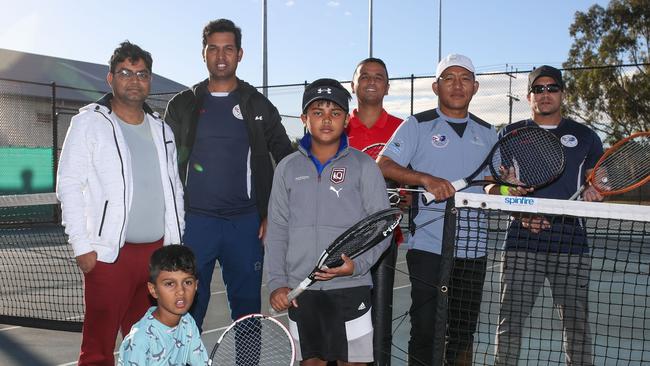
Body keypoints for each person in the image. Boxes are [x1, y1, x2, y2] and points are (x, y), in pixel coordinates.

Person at [56, 41, 184, 366]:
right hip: (108, 256)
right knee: (98, 350)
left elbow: (174, 190)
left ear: (149, 81)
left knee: (146, 347)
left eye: (141, 74)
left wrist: (175, 246)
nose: (134, 79)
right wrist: (82, 247)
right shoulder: (89, 122)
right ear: (110, 77)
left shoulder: (162, 129)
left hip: (155, 256)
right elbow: (69, 185)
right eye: (126, 72)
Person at [164, 19, 293, 329]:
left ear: (240, 54)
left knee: (247, 315)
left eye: (228, 49)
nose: (221, 56)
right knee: (187, 312)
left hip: (246, 226)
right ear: (203, 53)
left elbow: (288, 162)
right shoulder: (182, 105)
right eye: (213, 49)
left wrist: (271, 214)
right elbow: (163, 162)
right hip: (195, 224)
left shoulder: (258, 104)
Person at [377, 54, 497, 366]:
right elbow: (384, 165)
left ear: (475, 87)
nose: (457, 85)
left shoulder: (488, 133)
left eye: (465, 78)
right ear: (436, 86)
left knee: (462, 335)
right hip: (428, 247)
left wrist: (506, 186)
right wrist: (425, 179)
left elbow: (492, 185)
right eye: (449, 78)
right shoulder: (416, 125)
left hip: (474, 249)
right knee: (426, 331)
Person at [266, 78, 391, 365]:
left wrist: (356, 266)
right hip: (302, 290)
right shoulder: (286, 168)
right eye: (317, 112)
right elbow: (277, 230)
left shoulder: (364, 167)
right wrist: (277, 283)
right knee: (311, 362)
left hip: (350, 286)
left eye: (335, 113)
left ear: (346, 120)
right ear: (304, 119)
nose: (326, 120)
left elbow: (382, 228)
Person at [492, 65, 604, 366]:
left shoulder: (586, 136)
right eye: (537, 89)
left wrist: (599, 190)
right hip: (521, 243)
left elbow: (598, 180)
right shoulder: (510, 134)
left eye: (551, 88)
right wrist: (520, 212)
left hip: (571, 243)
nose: (545, 94)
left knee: (577, 327)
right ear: (529, 97)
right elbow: (499, 189)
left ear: (562, 93)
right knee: (510, 323)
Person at [346, 57, 404, 366]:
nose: (371, 81)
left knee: (379, 322)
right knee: (339, 323)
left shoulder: (403, 128)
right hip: (337, 242)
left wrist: (404, 197)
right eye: (364, 76)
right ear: (352, 84)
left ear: (387, 86)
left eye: (378, 76)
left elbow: (411, 179)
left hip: (384, 243)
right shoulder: (336, 124)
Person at [118, 245, 209, 365]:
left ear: (196, 285)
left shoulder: (188, 322)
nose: (181, 291)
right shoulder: (140, 339)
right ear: (153, 290)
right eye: (170, 284)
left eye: (187, 282)